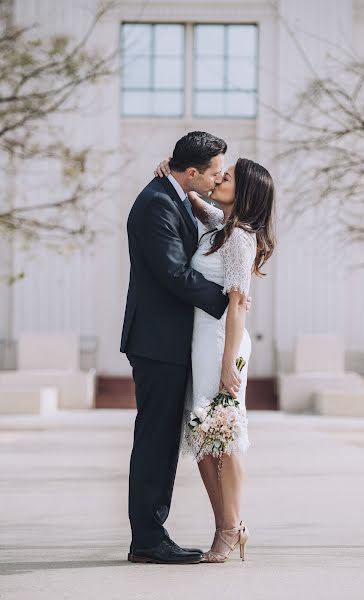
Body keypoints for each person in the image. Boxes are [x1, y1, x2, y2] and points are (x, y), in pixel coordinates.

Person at [120, 131, 252, 565]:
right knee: (156, 441)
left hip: (178, 342)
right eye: (215, 172)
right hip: (158, 343)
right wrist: (228, 300)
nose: (218, 180)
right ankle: (148, 540)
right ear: (192, 171)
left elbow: (219, 224)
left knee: (172, 439)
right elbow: (175, 273)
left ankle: (159, 534)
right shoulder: (158, 202)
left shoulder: (176, 196)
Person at [154, 155, 275, 563]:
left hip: (224, 343)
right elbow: (196, 200)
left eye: (230, 176)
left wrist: (228, 366)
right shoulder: (220, 228)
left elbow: (238, 304)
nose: (221, 177)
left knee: (226, 436)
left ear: (246, 192)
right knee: (204, 436)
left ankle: (231, 528)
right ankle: (226, 525)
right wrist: (177, 175)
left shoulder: (240, 237)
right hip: (201, 341)